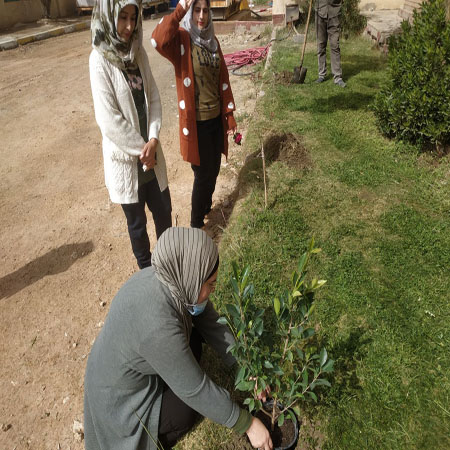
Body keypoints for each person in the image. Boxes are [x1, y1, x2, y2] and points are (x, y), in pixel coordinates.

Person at [84, 227, 273, 450]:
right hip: (120, 403)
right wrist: (247, 424)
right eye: (210, 284)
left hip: (128, 367)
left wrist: (246, 367)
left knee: (192, 342)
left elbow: (211, 323)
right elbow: (196, 390)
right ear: (192, 276)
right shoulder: (157, 326)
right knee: (184, 412)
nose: (212, 291)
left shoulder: (172, 279)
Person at [89, 0, 172, 269]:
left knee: (164, 216)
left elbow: (155, 98)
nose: (128, 26)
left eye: (133, 18)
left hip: (152, 158)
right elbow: (108, 120)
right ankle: (148, 277)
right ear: (109, 15)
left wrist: (154, 138)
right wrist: (143, 150)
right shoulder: (99, 60)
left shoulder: (139, 54)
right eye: (122, 17)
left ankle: (171, 267)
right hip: (129, 164)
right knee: (138, 227)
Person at [151, 0, 237, 229]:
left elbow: (223, 80)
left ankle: (206, 207)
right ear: (190, 12)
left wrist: (228, 114)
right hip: (197, 124)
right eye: (196, 10)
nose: (201, 16)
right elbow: (157, 40)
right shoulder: (182, 39)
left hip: (215, 120)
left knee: (215, 169)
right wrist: (179, 10)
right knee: (202, 175)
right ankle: (196, 224)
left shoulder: (213, 42)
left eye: (205, 11)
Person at [315, 0, 346, 87]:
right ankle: (321, 74)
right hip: (320, 11)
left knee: (335, 45)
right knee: (321, 45)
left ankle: (338, 77)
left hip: (334, 12)